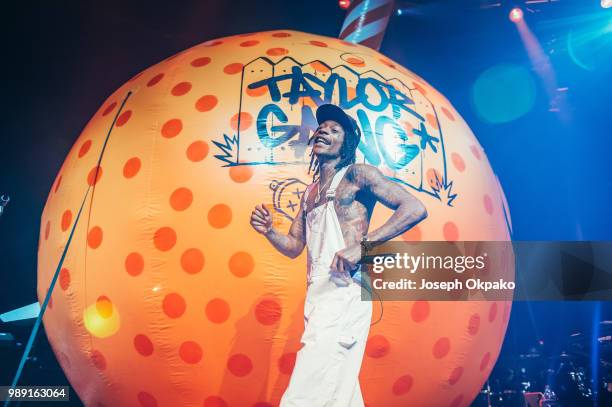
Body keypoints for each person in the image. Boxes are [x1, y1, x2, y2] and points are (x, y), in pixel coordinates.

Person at [250, 104, 428, 407]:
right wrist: (270, 231)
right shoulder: (309, 192)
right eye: (321, 128)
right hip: (317, 294)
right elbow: (294, 246)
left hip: (347, 289)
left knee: (307, 389)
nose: (323, 131)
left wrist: (364, 245)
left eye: (334, 129)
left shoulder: (357, 174)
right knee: (339, 392)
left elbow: (415, 208)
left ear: (345, 144)